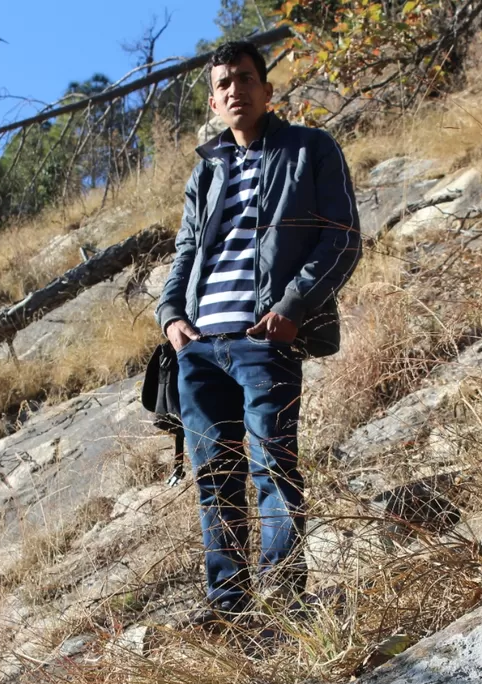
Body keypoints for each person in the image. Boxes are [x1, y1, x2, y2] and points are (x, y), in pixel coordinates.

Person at [155, 40, 361, 620]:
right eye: (223, 84)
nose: (233, 90)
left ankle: (284, 603)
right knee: (214, 479)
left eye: (244, 79)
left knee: (273, 465)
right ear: (214, 103)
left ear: (267, 91)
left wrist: (293, 306)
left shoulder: (309, 148)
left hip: (263, 340)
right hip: (199, 349)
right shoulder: (208, 168)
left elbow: (342, 238)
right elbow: (186, 250)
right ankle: (230, 609)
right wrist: (171, 316)